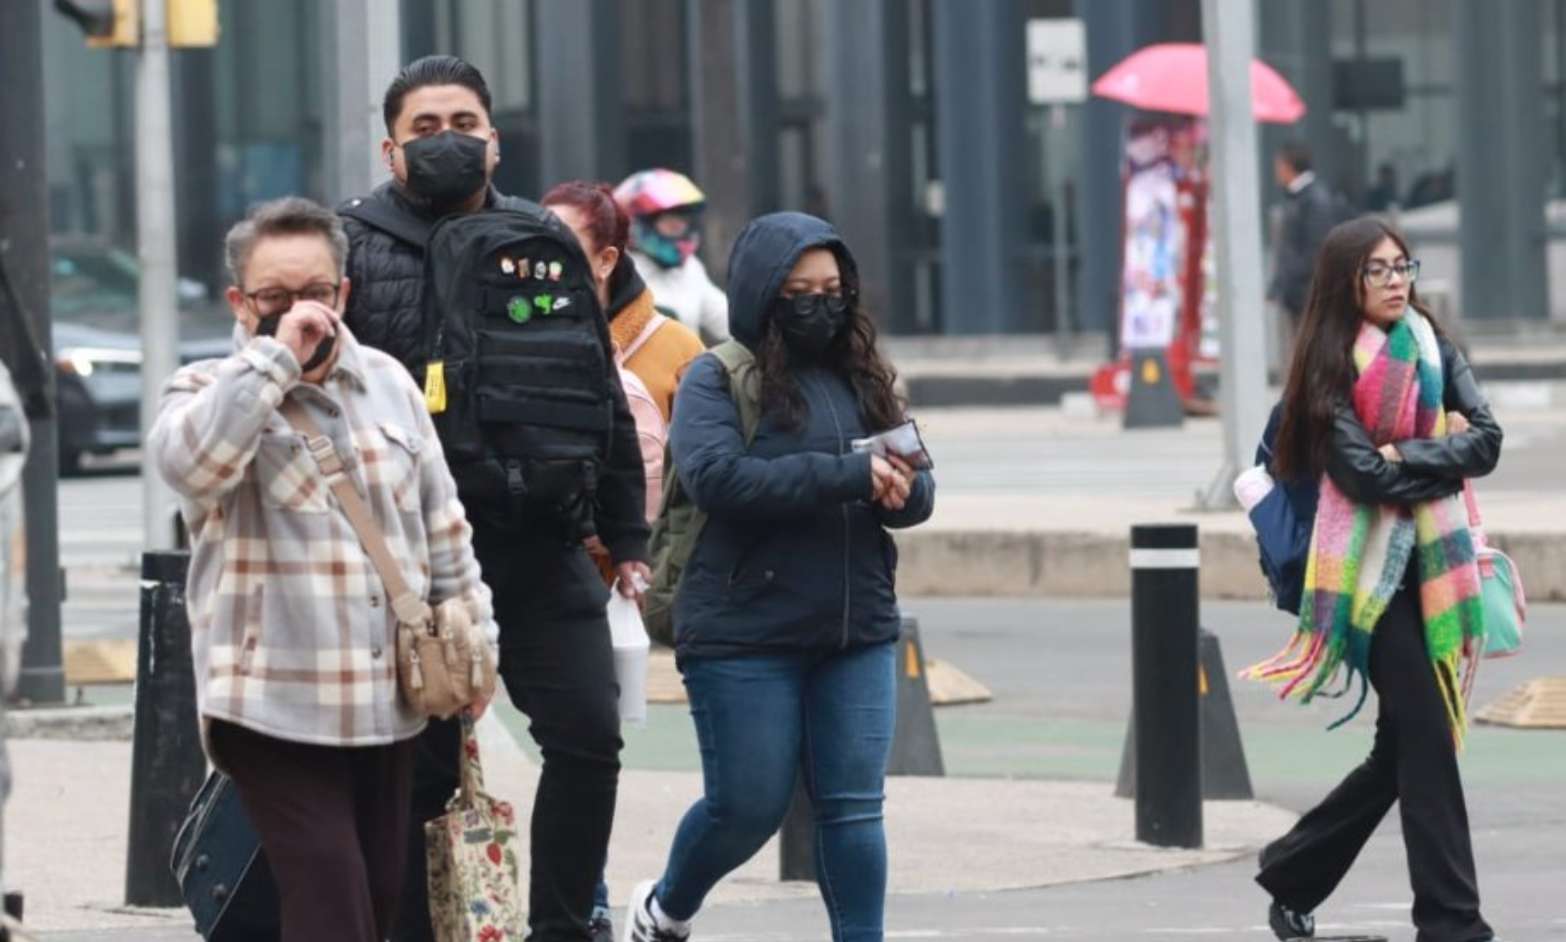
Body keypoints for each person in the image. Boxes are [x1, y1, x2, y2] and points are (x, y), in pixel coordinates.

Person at [339, 57, 650, 942]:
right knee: (419, 775)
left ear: (495, 139)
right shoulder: (350, 245)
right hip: (413, 569)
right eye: (426, 127)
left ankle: (559, 925)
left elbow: (600, 389)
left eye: (464, 124)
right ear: (391, 149)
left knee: (590, 739)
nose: (448, 140)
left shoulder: (539, 239)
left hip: (544, 543)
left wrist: (625, 534)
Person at [148, 197, 497, 942]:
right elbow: (189, 465)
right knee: (331, 896)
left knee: (376, 895)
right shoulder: (206, 389)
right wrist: (274, 359)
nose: (300, 311)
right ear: (240, 302)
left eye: (316, 293)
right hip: (267, 701)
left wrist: (479, 643)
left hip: (385, 698)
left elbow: (443, 527)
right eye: (275, 297)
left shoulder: (391, 384)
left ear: (345, 293)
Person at [622, 212, 935, 942]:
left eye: (833, 289)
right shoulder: (715, 376)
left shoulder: (865, 379)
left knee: (854, 806)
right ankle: (665, 908)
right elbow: (716, 480)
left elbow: (920, 488)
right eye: (800, 290)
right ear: (764, 293)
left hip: (855, 626)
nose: (820, 304)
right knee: (747, 804)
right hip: (742, 631)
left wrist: (902, 491)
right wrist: (850, 474)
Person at [1246, 217, 1503, 942]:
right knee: (1428, 740)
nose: (1397, 281)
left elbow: (1486, 441)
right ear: (1346, 282)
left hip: (1432, 566)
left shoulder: (1432, 346)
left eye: (1403, 266)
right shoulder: (1329, 369)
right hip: (1365, 582)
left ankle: (1294, 873)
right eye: (1379, 270)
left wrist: (1408, 454)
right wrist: (1438, 455)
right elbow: (1361, 474)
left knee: (1405, 747)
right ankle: (1453, 924)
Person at [541, 179, 704, 941]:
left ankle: (598, 903)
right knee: (579, 741)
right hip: (538, 569)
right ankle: (588, 902)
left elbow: (701, 473)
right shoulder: (514, 329)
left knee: (591, 743)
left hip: (637, 573)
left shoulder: (674, 347)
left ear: (607, 258)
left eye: (565, 249)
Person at [613, 169, 729, 344]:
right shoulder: (616, 272)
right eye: (669, 220)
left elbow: (727, 321)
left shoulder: (689, 268)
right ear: (637, 223)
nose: (679, 226)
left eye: (682, 219)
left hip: (686, 367)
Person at [1268, 141, 1342, 336]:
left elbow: (1317, 249)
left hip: (1308, 294)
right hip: (1298, 294)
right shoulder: (1297, 198)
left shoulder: (1315, 200)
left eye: (1278, 165)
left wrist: (1292, 279)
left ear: (1288, 165)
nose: (1276, 171)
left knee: (1310, 351)